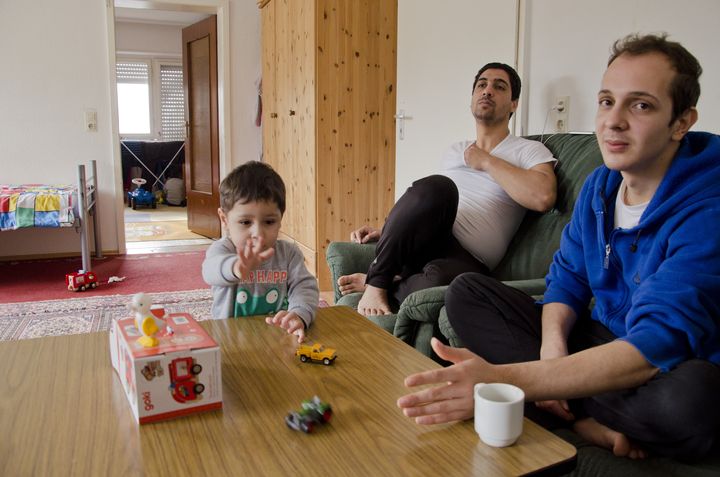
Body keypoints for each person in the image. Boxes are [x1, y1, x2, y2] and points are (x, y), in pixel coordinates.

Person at [397, 33, 720, 461]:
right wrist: (552, 354)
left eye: (640, 105)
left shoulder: (707, 206)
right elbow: (566, 281)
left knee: (693, 404)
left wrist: (505, 379)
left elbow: (655, 345)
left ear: (681, 122)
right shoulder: (601, 188)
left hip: (668, 361)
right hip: (601, 336)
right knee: (467, 293)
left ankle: (566, 409)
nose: (613, 121)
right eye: (607, 101)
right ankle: (585, 418)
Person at [338, 62, 558, 316]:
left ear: (513, 104)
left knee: (437, 286)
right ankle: (377, 284)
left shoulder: (528, 150)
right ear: (472, 99)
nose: (487, 91)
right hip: (429, 237)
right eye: (481, 85)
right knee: (439, 187)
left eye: (499, 87)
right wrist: (391, 230)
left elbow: (543, 196)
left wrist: (486, 161)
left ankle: (382, 282)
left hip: (468, 258)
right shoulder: (455, 150)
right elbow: (426, 202)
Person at [202, 161, 319, 343]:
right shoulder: (224, 249)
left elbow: (304, 287)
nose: (258, 233)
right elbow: (210, 271)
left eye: (269, 222)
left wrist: (299, 314)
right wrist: (235, 268)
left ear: (280, 219)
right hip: (230, 341)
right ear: (224, 219)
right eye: (245, 222)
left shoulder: (289, 253)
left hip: (279, 338)